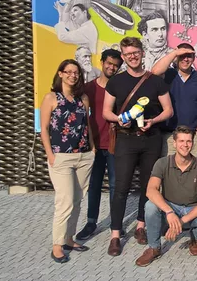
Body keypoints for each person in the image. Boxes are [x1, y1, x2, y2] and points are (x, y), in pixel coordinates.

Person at [102, 36, 173, 256]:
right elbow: (106, 111)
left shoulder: (155, 81)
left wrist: (153, 121)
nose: (132, 56)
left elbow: (168, 110)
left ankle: (141, 226)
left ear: (142, 53)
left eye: (136, 52)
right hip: (125, 138)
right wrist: (117, 119)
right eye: (128, 54)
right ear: (123, 57)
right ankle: (115, 235)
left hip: (151, 138)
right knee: (121, 188)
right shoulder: (116, 81)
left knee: (147, 187)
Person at [135, 126, 197, 266]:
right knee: (150, 205)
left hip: (193, 208)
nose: (185, 145)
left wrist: (180, 221)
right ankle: (154, 247)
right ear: (174, 143)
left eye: (188, 141)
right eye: (181, 141)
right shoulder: (162, 163)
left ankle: (195, 237)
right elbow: (151, 190)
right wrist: (169, 212)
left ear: (192, 143)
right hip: (170, 206)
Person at [40, 59, 95, 263]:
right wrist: (50, 155)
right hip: (61, 157)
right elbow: (44, 129)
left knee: (77, 200)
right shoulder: (51, 98)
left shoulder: (83, 98)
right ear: (61, 74)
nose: (73, 75)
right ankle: (57, 246)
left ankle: (69, 239)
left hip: (83, 156)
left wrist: (92, 149)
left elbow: (87, 124)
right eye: (69, 72)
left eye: (76, 72)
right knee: (64, 202)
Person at [75, 49, 123, 240]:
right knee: (94, 185)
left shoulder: (119, 89)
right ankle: (91, 222)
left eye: (116, 65)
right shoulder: (88, 88)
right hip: (93, 145)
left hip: (114, 144)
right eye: (109, 63)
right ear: (102, 62)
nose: (112, 67)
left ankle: (116, 224)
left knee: (114, 185)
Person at [151, 43, 197, 158]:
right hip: (169, 134)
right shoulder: (168, 74)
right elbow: (155, 71)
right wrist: (174, 53)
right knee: (168, 171)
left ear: (193, 58)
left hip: (191, 135)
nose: (185, 59)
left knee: (190, 171)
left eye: (189, 56)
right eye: (182, 55)